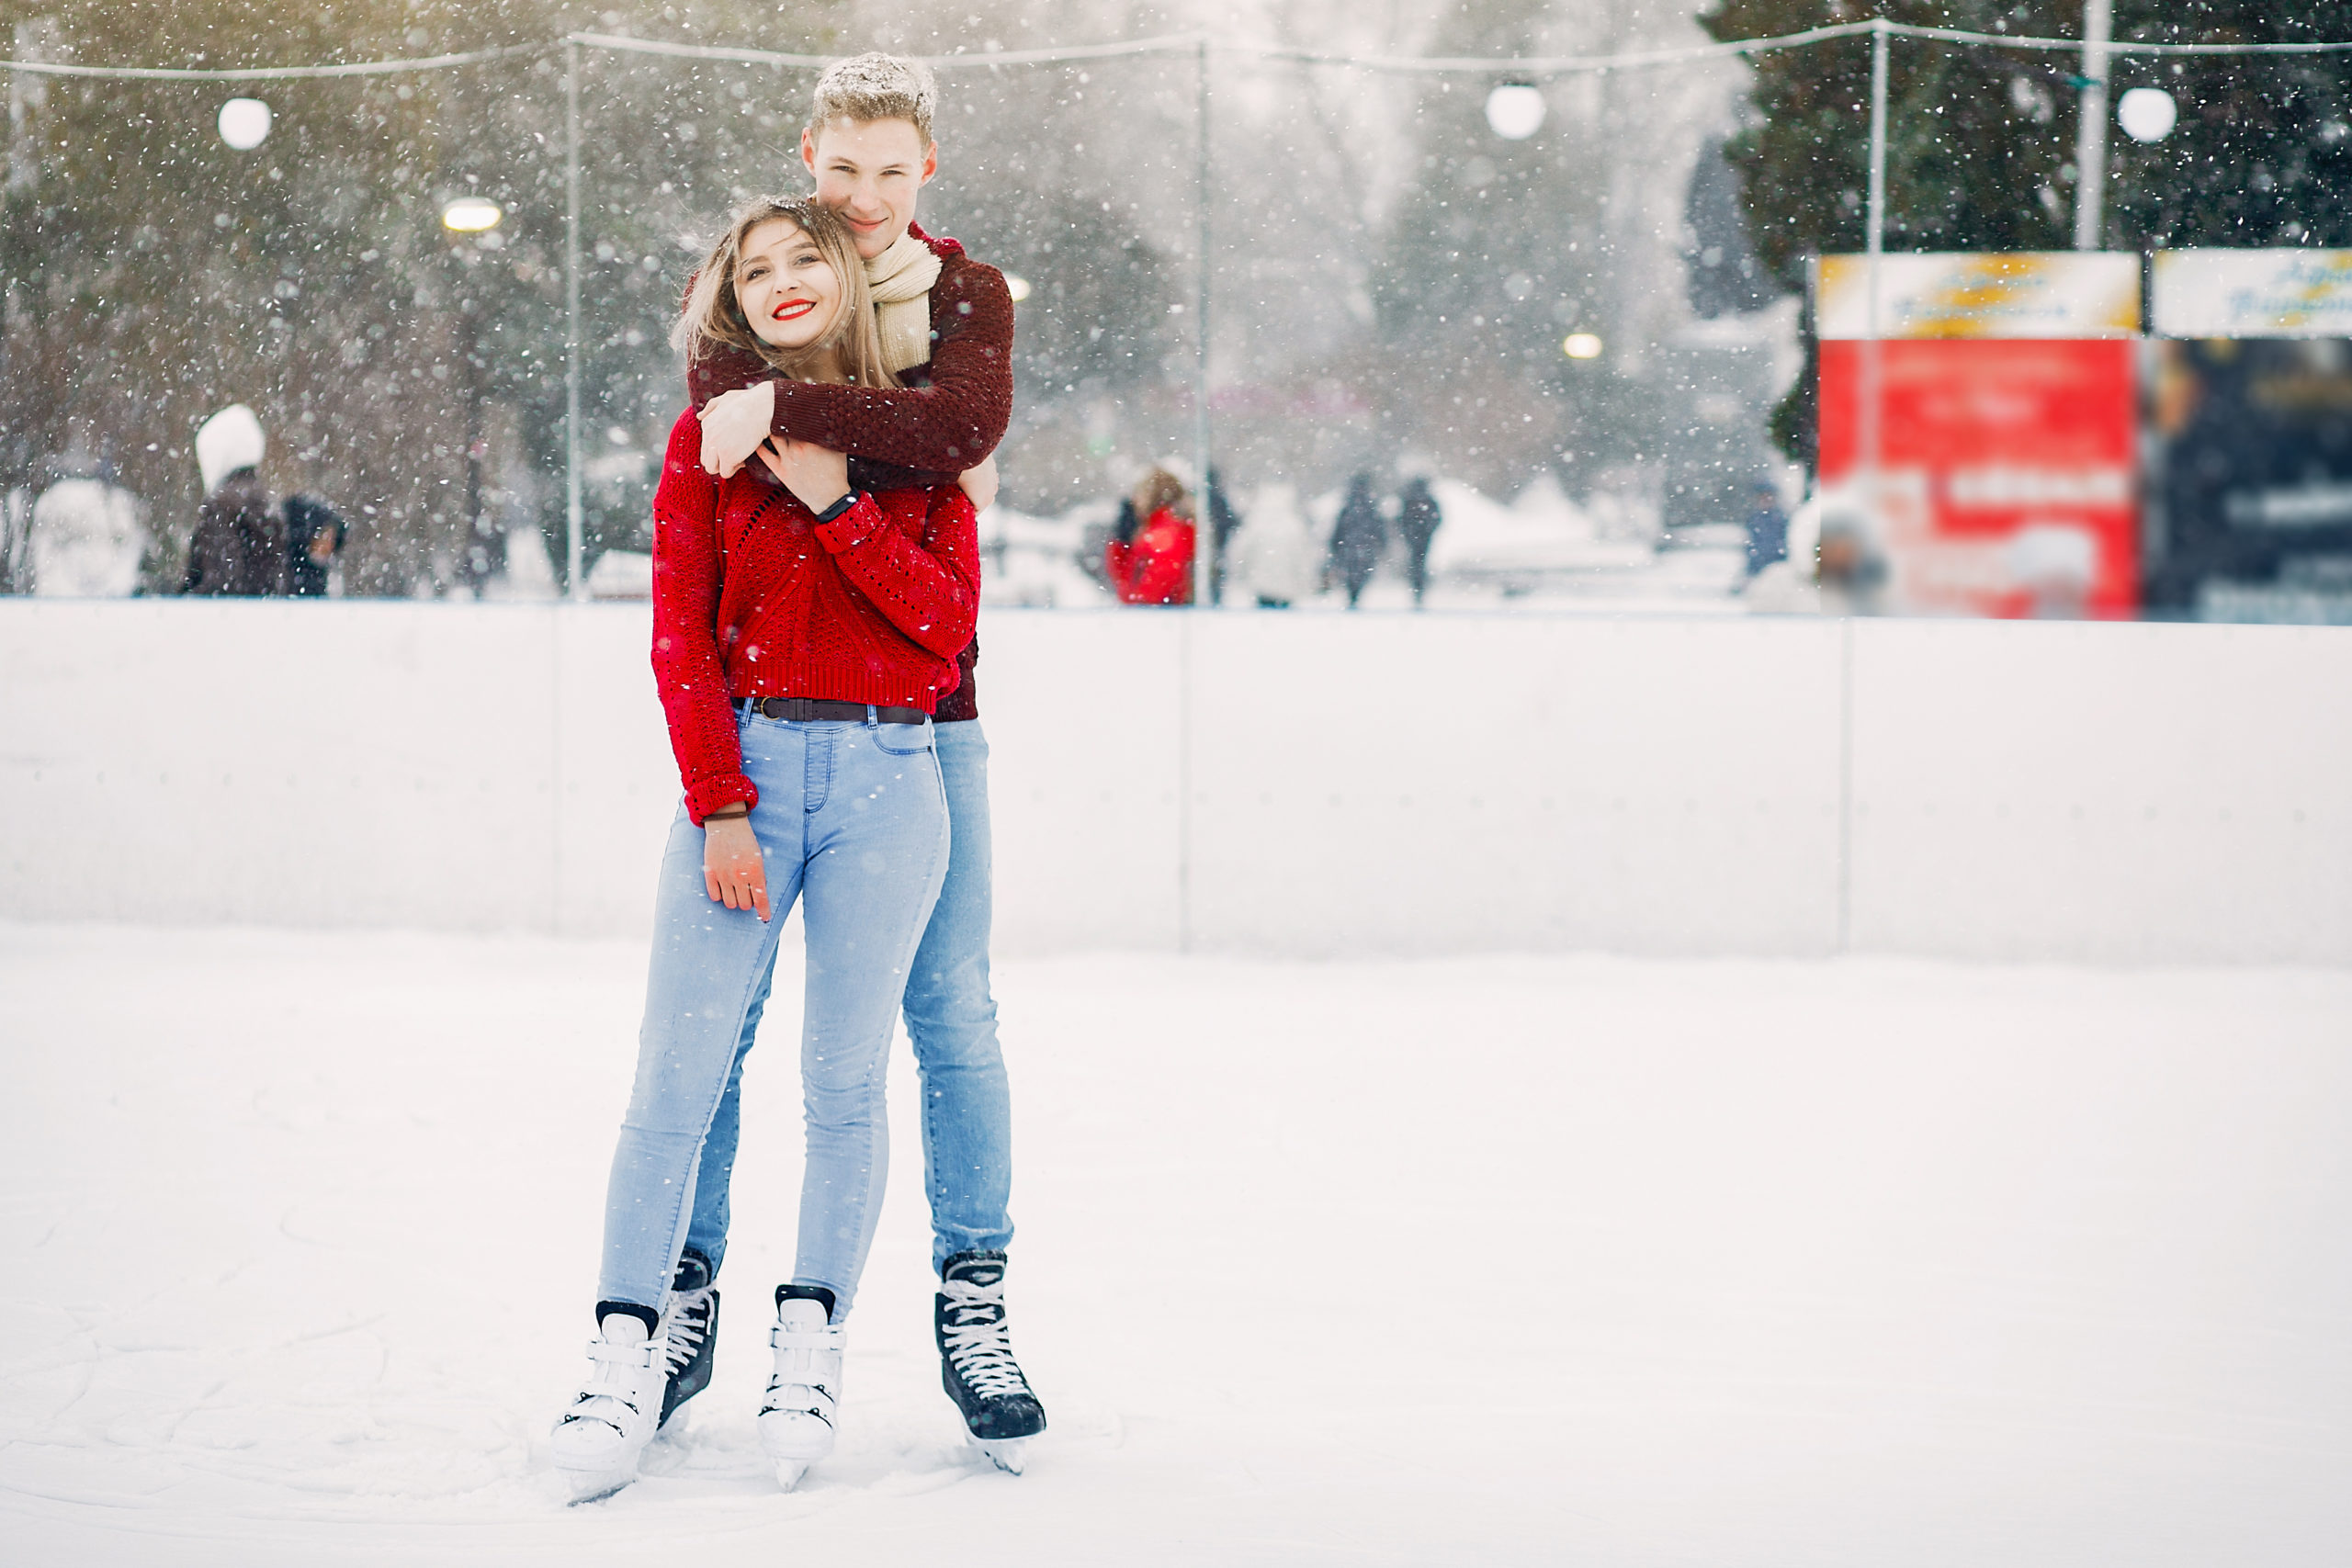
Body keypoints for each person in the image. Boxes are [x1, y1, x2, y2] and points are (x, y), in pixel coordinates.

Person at [649, 52, 1046, 1481]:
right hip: (783, 707)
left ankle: (973, 1288)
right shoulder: (747, 295)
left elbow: (962, 429)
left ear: (923, 170)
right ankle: (683, 1287)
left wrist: (805, 414)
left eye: (891, 171)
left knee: (953, 1007)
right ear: (808, 155)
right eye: (841, 169)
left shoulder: (966, 299)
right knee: (727, 1028)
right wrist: (848, 433)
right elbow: (726, 424)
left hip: (932, 713)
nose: (863, 198)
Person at [548, 196, 982, 1503]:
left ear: (851, 282)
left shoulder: (916, 444)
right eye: (759, 269)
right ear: (731, 298)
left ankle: (810, 1339)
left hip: (892, 780)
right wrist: (722, 802)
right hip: (744, 782)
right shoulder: (706, 439)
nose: (787, 281)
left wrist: (842, 503)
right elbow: (678, 630)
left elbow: (943, 631)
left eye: (810, 260)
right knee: (674, 1076)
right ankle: (625, 1343)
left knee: (844, 1078)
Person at [181, 404, 286, 596]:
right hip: (262, 617)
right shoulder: (268, 501)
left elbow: (221, 579)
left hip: (224, 619)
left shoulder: (221, 504)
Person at [1105, 467, 1196, 605]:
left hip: (1159, 615)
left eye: (1139, 494)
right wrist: (1122, 543)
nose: (1135, 501)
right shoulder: (1153, 528)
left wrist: (1139, 602)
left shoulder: (1164, 531)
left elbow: (1159, 580)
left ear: (1152, 496)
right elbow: (1127, 579)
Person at [1229, 481, 1320, 609]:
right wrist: (1306, 583)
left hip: (1261, 586)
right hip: (1287, 589)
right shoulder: (1295, 527)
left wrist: (1242, 575)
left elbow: (1242, 552)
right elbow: (1303, 559)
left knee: (1264, 620)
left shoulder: (1256, 525)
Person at [1328, 471, 1385, 609]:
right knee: (1361, 572)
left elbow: (1339, 527)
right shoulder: (1370, 505)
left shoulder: (1349, 504)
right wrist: (1380, 542)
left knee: (1352, 572)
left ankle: (1353, 595)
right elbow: (1378, 526)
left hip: (1350, 545)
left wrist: (1335, 543)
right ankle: (1355, 595)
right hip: (1363, 545)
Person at [283, 494, 347, 597]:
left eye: (333, 540)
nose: (328, 545)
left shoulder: (329, 575)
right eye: (325, 538)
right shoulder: (283, 571)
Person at [1396, 475, 1442, 607]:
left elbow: (1401, 520)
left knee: (1415, 564)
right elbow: (1437, 519)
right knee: (1420, 564)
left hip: (1415, 538)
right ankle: (1419, 589)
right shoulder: (1428, 501)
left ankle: (1417, 589)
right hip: (1422, 538)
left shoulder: (1409, 501)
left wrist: (1408, 533)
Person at [1742, 478, 1789, 577]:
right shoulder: (1753, 519)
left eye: (1768, 496)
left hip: (1777, 568)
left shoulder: (1781, 519)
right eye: (1762, 497)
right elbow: (1750, 543)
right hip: (1757, 568)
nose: (1766, 500)